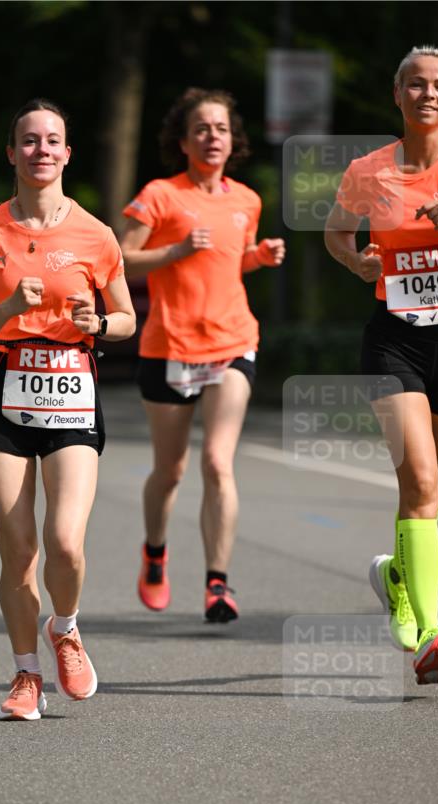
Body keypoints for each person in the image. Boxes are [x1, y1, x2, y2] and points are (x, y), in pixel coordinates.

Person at [0, 98, 135, 719]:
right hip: (3, 389)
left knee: (66, 543)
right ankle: (26, 675)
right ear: (12, 153)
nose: (41, 151)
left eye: (52, 140)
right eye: (29, 141)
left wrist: (100, 320)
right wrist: (5, 311)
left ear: (67, 152)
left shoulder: (95, 234)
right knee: (19, 549)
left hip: (72, 388)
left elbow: (128, 319)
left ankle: (67, 627)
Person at [325, 47, 438, 684]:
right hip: (396, 340)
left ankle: (395, 578)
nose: (428, 95)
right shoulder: (369, 171)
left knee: (436, 493)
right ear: (398, 95)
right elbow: (337, 232)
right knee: (417, 483)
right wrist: (355, 259)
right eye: (416, 85)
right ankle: (429, 635)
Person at [120, 88, 285, 623]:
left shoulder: (246, 200)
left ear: (233, 139)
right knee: (170, 471)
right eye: (202, 129)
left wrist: (257, 256)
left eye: (221, 128)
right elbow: (121, 259)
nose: (213, 137)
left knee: (218, 461)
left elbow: (228, 265)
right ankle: (154, 550)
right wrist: (176, 250)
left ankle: (218, 584)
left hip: (232, 341)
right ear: (185, 140)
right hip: (169, 345)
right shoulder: (161, 195)